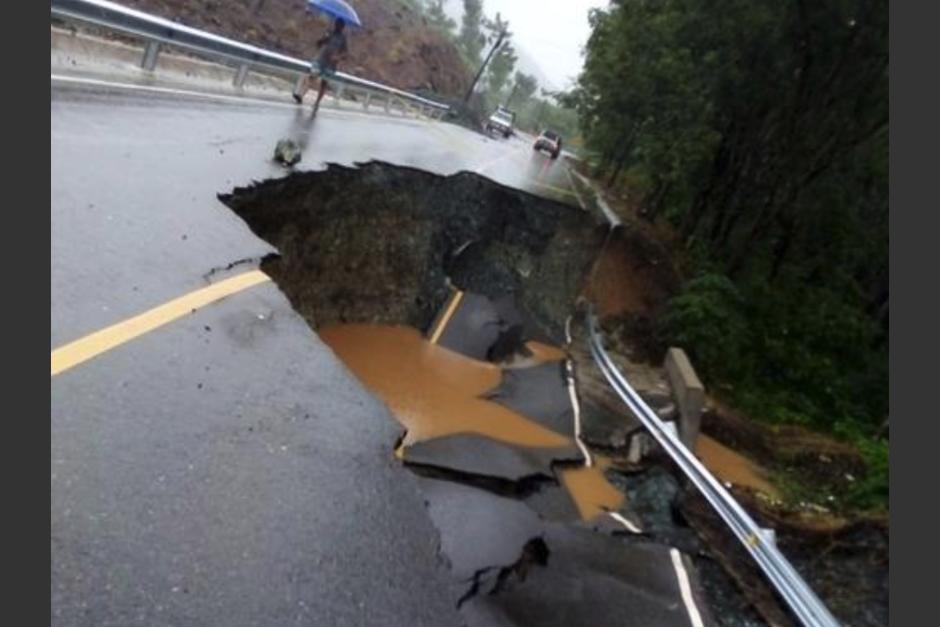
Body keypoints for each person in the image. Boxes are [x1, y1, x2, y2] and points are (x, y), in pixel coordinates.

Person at [293, 17, 348, 113]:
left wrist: (337, 57)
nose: (337, 27)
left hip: (331, 64)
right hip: (321, 59)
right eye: (336, 24)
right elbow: (318, 43)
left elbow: (345, 53)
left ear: (342, 27)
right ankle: (301, 95)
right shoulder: (329, 32)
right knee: (312, 76)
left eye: (339, 25)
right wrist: (324, 39)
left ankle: (317, 102)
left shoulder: (343, 39)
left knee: (324, 83)